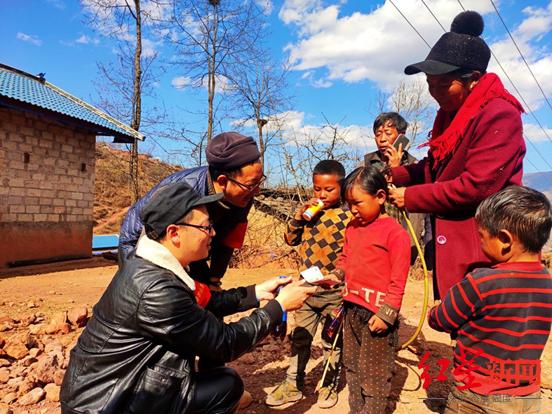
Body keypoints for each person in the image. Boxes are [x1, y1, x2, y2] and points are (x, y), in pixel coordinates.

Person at [61, 181, 317, 414]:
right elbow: (224, 342)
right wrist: (279, 306)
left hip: (109, 390)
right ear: (174, 233)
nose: (213, 233)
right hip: (105, 405)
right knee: (227, 386)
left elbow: (206, 302)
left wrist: (257, 292)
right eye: (205, 227)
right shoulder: (157, 289)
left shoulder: (155, 266)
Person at [389, 10, 525, 299]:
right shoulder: (451, 115)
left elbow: (476, 186)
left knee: (478, 321)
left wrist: (410, 197)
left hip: (483, 251)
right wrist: (393, 175)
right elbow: (436, 167)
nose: (434, 92)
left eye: (443, 84)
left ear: (473, 79)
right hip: (455, 249)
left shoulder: (499, 114)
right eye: (430, 84)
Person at [428, 185, 552, 414]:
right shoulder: (547, 282)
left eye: (482, 236)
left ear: (504, 239)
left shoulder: (481, 282)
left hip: (476, 395)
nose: (480, 243)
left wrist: (435, 310)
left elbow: (442, 320)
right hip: (528, 397)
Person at [119, 131, 265, 290]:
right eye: (252, 184)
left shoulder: (243, 196)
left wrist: (214, 280)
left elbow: (229, 240)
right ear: (223, 181)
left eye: (259, 182)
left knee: (207, 294)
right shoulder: (184, 193)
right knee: (156, 291)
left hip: (192, 243)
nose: (257, 191)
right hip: (145, 238)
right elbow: (160, 243)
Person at [266, 160, 352, 409]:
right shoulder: (309, 214)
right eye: (317, 189)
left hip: (333, 292)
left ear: (342, 188)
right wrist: (297, 217)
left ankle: (328, 383)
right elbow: (291, 239)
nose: (322, 195)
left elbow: (353, 254)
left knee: (331, 341)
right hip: (304, 290)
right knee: (300, 337)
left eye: (329, 190)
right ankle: (293, 383)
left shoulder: (348, 217)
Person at [325, 166, 411, 413]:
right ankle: (356, 409)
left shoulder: (395, 233)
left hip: (377, 316)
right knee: (352, 366)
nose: (352, 209)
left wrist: (387, 314)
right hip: (351, 309)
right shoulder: (352, 227)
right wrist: (336, 274)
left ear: (380, 197)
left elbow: (398, 281)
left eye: (357, 203)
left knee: (374, 374)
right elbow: (345, 258)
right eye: (348, 203)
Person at [364, 112, 425, 264]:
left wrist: (397, 171)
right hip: (372, 238)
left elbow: (418, 209)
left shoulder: (415, 167)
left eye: (388, 133)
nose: (382, 139)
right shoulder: (366, 165)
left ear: (401, 137)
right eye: (378, 134)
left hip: (402, 239)